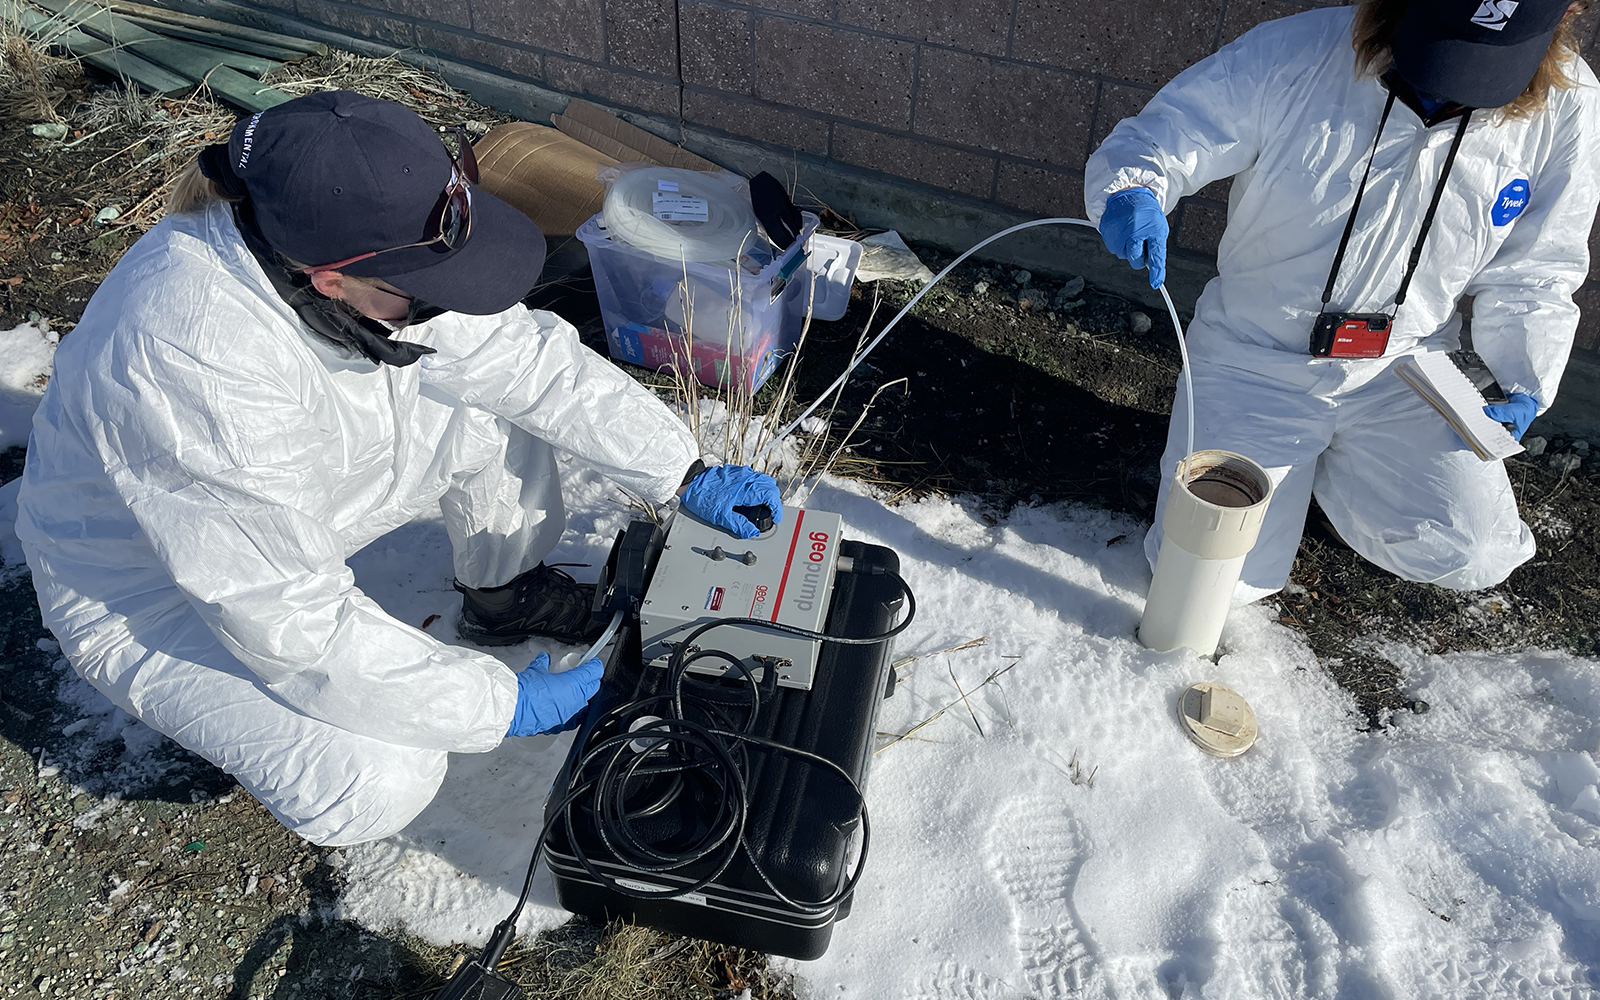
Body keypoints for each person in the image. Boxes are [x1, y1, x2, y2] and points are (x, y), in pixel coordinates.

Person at [13, 92, 782, 846]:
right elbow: (285, 616)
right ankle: (242, 729)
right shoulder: (188, 353)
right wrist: (494, 706)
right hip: (155, 590)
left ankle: (502, 595)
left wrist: (680, 470)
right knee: (378, 778)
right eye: (420, 297)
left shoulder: (340, 241)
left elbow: (523, 362)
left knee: (492, 399)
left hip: (287, 496)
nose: (441, 311)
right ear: (330, 281)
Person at [1087, 0, 1600, 600]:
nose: (1451, 87)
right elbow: (1173, 132)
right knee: (1218, 583)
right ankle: (1291, 467)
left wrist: (1526, 377)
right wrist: (1135, 189)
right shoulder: (1297, 51)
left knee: (1474, 550)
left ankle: (1329, 477)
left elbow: (1538, 265)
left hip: (1405, 370)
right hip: (1258, 354)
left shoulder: (1568, 103)